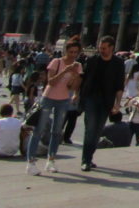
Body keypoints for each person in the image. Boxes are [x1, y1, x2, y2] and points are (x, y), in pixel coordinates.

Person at [25, 35, 83, 175]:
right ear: (65, 51)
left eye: (76, 52)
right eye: (71, 52)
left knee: (57, 132)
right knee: (39, 130)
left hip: (63, 100)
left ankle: (51, 161)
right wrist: (65, 70)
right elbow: (51, 82)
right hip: (48, 98)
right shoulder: (56, 62)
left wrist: (75, 75)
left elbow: (72, 86)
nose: (73, 55)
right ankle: (31, 162)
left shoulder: (78, 66)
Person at [79, 35, 125, 172]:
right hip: (91, 99)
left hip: (106, 101)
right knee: (90, 129)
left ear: (112, 48)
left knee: (98, 131)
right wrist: (77, 95)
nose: (101, 50)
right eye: (100, 48)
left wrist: (117, 104)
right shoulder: (93, 60)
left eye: (104, 48)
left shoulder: (118, 63)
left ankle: (89, 158)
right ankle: (85, 160)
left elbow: (119, 85)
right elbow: (84, 79)